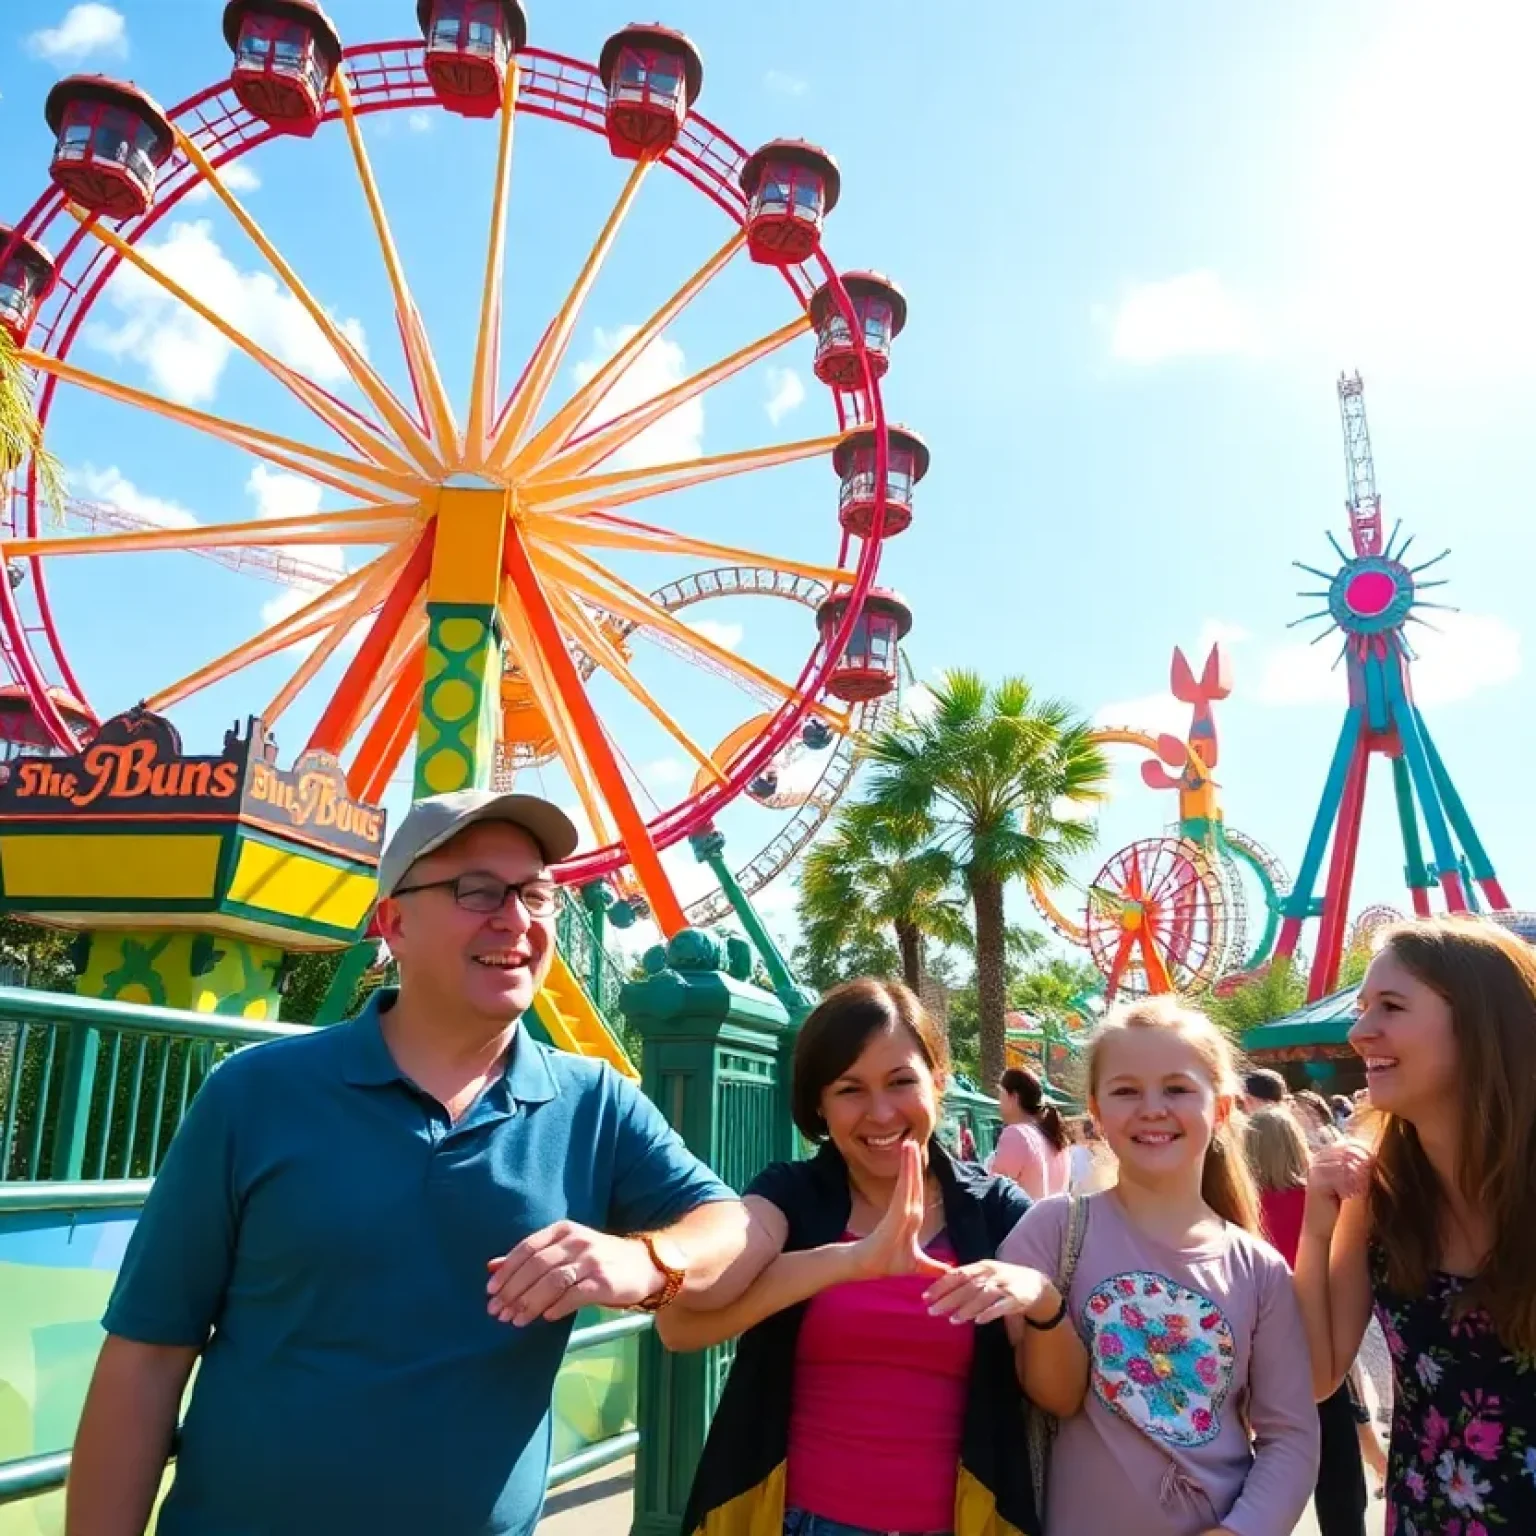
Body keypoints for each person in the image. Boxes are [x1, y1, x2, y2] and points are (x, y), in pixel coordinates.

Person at [67, 790, 757, 1536]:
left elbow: (736, 1224)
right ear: (392, 922)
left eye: (535, 895)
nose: (516, 919)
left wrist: (647, 1262)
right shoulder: (255, 1094)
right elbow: (146, 1356)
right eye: (477, 891)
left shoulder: (593, 1104)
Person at [665, 979, 1072, 1536]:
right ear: (819, 1103)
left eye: (901, 1081)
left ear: (938, 1082)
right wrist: (851, 1260)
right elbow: (681, 1322)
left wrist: (1043, 1300)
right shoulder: (790, 1196)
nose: (881, 1113)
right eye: (850, 1089)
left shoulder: (996, 1212)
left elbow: (1061, 1394)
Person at [998, 996, 1318, 1536]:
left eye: (1177, 1088)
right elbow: (1041, 1394)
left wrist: (1244, 1529)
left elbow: (1290, 1435)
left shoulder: (1259, 1269)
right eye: (1125, 1091)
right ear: (1096, 1113)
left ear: (1221, 1110)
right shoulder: (1048, 1234)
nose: (1152, 1108)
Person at [1295, 917, 1536, 1533]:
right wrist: (1316, 1229)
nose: (1358, 1031)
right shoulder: (1378, 1198)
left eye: (1391, 1006)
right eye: (1363, 1006)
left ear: (1481, 1024)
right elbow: (1320, 1377)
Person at [1245, 1109, 1367, 1536]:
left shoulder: (1239, 1208)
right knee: (1338, 1455)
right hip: (1321, 1337)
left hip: (1261, 1348)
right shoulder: (1320, 1199)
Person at [989, 1066, 1071, 1199]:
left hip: (1024, 1219)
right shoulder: (1056, 1138)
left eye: (1001, 1094)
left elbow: (993, 1192)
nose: (999, 1103)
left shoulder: (1016, 1134)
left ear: (1014, 1097)